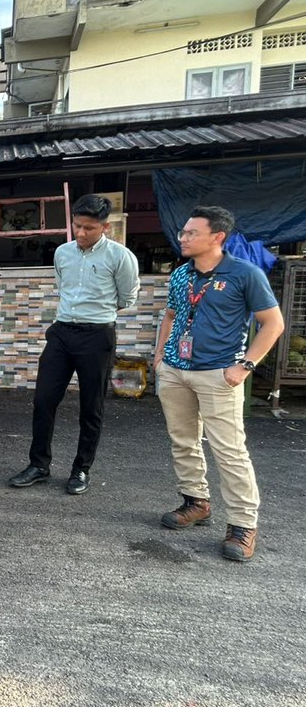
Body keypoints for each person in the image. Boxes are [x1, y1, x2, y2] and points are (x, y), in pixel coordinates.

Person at [155, 206, 284, 562]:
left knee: (229, 451)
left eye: (191, 233)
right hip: (176, 371)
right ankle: (195, 501)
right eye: (183, 233)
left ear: (217, 237)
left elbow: (273, 324)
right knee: (183, 441)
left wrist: (245, 366)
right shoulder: (181, 275)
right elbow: (171, 314)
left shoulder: (245, 274)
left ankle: (243, 525)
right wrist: (160, 355)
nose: (183, 238)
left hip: (219, 373)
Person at [9, 194, 140, 496]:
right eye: (77, 226)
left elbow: (126, 297)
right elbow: (61, 286)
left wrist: (96, 313)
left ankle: (81, 468)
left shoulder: (120, 257)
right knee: (43, 400)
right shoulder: (62, 253)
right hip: (61, 332)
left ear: (105, 227)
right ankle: (38, 465)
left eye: (89, 228)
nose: (80, 233)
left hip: (97, 335)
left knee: (90, 407)